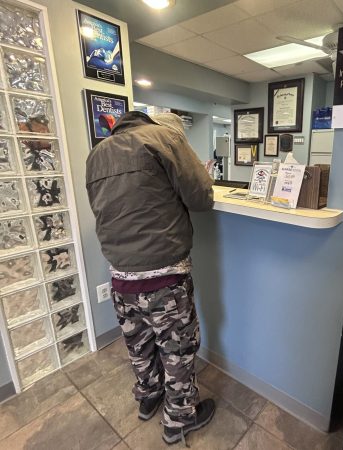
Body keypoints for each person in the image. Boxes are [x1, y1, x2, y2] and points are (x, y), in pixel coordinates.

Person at [86, 110, 215, 445]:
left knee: (139, 345)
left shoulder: (97, 154)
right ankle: (179, 421)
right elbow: (201, 198)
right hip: (164, 276)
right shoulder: (166, 139)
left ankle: (148, 398)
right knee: (177, 351)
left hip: (119, 278)